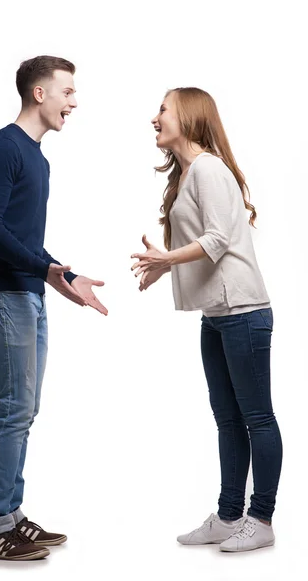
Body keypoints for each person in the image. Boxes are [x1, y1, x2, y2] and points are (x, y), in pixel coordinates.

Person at [130, 87, 282, 553]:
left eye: (162, 109)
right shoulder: (190, 173)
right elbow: (205, 242)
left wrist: (168, 259)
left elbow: (217, 239)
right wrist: (164, 266)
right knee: (227, 419)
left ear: (189, 116)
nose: (154, 117)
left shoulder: (210, 169)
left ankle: (261, 518)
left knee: (257, 417)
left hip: (244, 312)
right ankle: (229, 513)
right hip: (217, 315)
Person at [0, 55, 108, 561]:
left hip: (27, 291)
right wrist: (43, 269)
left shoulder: (38, 158)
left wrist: (62, 275)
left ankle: (11, 517)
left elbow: (23, 238)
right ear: (39, 93)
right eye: (67, 91)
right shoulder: (2, 148)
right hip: (2, 292)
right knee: (13, 409)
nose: (74, 101)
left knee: (24, 410)